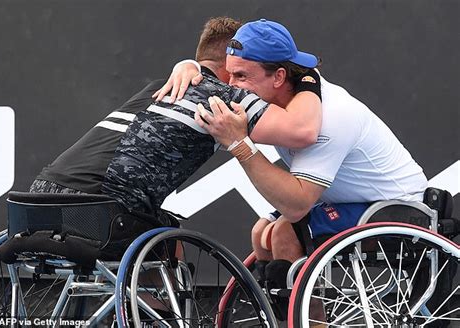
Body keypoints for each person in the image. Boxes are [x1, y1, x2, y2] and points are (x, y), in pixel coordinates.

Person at [160, 19, 428, 320]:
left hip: (398, 207)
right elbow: (215, 50)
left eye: (241, 76)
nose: (230, 85)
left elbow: (298, 205)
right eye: (229, 73)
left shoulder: (330, 117)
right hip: (344, 200)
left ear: (279, 77)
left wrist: (238, 144)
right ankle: (286, 317)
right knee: (261, 232)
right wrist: (188, 66)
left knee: (284, 232)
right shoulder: (277, 99)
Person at [30, 17, 322, 232]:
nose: (236, 84)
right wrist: (309, 78)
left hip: (36, 202)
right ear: (229, 63)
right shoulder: (224, 96)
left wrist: (188, 64)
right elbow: (303, 131)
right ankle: (163, 315)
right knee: (168, 237)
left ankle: (143, 311)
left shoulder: (160, 88)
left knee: (160, 230)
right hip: (97, 212)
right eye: (236, 74)